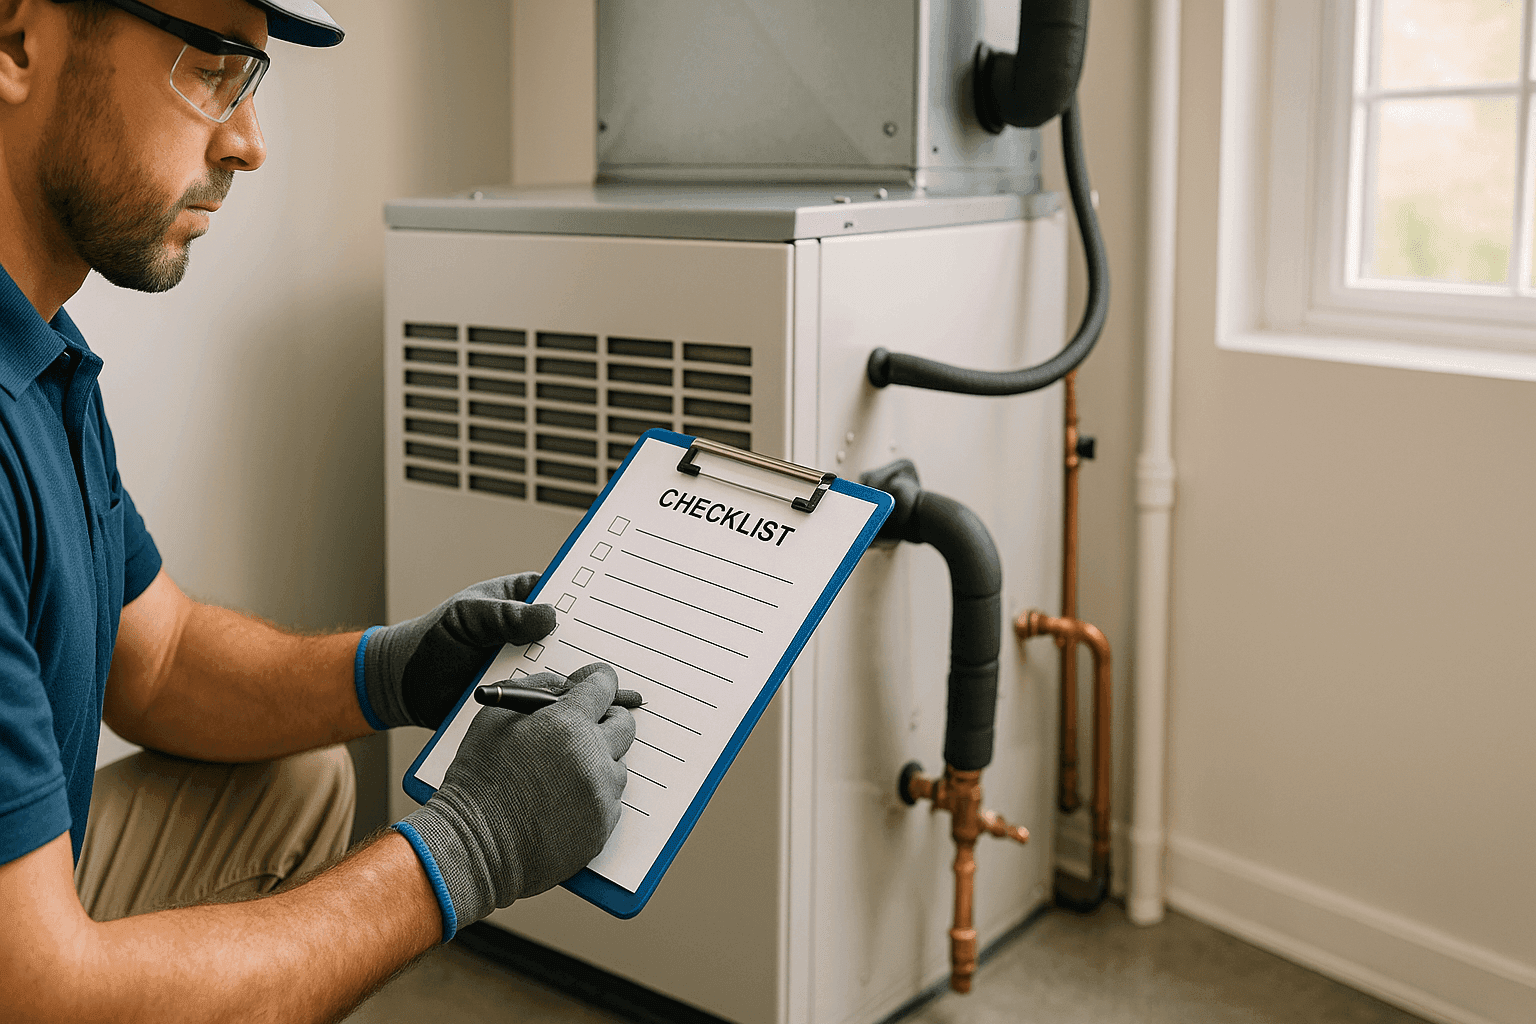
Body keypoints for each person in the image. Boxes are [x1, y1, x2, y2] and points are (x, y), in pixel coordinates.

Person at [0, 1, 636, 1020]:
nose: (249, 143)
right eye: (209, 68)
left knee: (294, 785)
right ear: (19, 41)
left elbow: (154, 659)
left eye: (249, 81)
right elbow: (35, 990)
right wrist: (468, 848)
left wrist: (392, 669)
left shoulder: (42, 355)